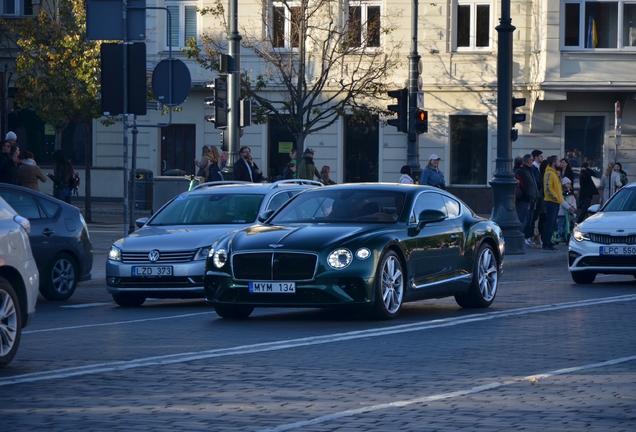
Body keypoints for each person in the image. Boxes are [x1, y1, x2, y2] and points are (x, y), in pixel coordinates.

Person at [541, 155, 562, 252]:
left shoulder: (554, 173)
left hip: (555, 201)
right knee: (550, 223)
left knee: (552, 223)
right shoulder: (549, 173)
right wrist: (555, 197)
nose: (559, 163)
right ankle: (546, 243)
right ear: (554, 162)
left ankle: (548, 242)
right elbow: (548, 188)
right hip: (551, 201)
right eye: (558, 161)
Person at [514, 154, 537, 240]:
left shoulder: (529, 171)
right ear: (526, 161)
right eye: (531, 160)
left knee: (527, 221)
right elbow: (525, 187)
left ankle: (522, 238)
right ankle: (519, 239)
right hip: (524, 200)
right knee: (522, 220)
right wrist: (528, 197)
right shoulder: (521, 172)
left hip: (529, 200)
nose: (532, 161)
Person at [555, 177, 576, 244]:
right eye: (567, 183)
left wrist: (573, 207)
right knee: (561, 223)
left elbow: (573, 201)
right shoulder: (561, 193)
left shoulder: (571, 194)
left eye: (570, 183)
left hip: (569, 212)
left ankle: (566, 234)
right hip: (562, 211)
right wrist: (569, 207)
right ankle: (560, 233)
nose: (569, 185)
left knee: (567, 224)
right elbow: (562, 202)